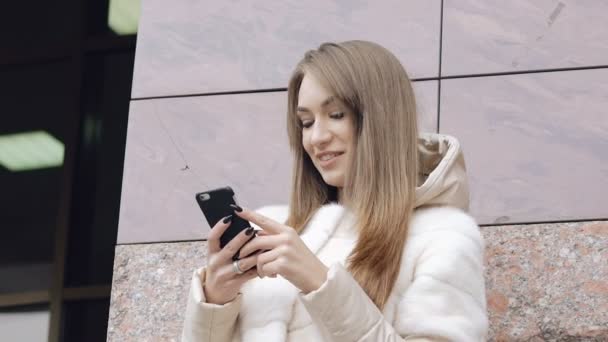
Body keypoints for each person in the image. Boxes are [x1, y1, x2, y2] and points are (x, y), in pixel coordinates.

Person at [181, 40, 488, 341]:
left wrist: (320, 283)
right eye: (306, 122)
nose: (317, 138)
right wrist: (215, 304)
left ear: (381, 118)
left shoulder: (443, 238)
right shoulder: (277, 230)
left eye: (336, 115)